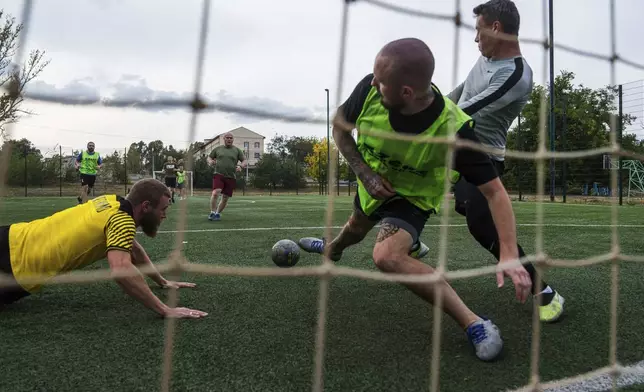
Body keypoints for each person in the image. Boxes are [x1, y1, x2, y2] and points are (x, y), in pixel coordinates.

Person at [298, 38, 531, 361]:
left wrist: (508, 252)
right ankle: (332, 249)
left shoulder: (455, 132)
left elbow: (494, 192)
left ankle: (475, 323)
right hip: (374, 181)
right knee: (354, 230)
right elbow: (340, 129)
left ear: (406, 92)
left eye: (381, 83)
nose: (373, 84)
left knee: (387, 256)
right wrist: (365, 173)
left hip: (415, 195)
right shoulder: (368, 88)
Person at [445, 0, 564, 322]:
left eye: (477, 30)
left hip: (483, 157)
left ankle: (545, 291)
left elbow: (464, 111)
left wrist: (417, 120)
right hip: (455, 148)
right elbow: (456, 97)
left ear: (495, 27)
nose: (475, 39)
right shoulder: (485, 60)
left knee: (481, 224)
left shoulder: (516, 75)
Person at [0, 178, 208, 319]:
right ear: (145, 206)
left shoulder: (112, 202)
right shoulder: (122, 221)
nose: (164, 216)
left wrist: (162, 282)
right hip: (12, 267)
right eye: (163, 209)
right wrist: (165, 310)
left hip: (12, 236)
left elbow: (134, 251)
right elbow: (121, 270)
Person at [207, 132, 247, 221]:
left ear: (233, 140)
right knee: (216, 192)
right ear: (224, 139)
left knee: (225, 197)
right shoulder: (218, 149)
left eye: (231, 138)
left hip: (231, 177)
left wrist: (240, 166)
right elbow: (209, 157)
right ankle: (212, 212)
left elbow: (244, 160)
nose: (229, 139)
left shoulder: (237, 150)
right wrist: (210, 161)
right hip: (218, 174)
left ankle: (217, 214)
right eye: (227, 138)